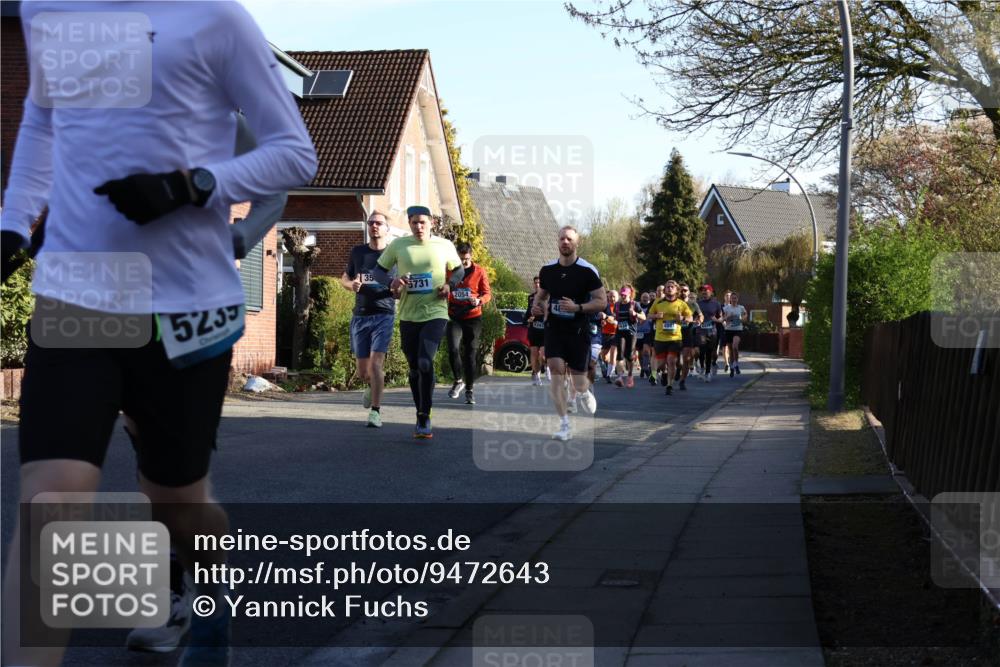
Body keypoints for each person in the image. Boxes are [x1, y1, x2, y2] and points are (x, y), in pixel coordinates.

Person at [0, 4, 318, 666]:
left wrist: (195, 185)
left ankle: (207, 589)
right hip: (76, 293)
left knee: (176, 501)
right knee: (49, 501)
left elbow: (295, 153)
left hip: (184, 308)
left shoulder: (214, 18)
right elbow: (42, 117)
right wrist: (13, 219)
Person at [373, 206, 463, 439]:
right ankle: (420, 408)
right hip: (408, 315)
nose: (418, 227)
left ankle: (424, 415)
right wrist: (393, 281)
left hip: (436, 312)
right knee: (414, 367)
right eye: (414, 223)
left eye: (422, 222)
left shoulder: (444, 245)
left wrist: (449, 286)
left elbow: (460, 269)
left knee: (425, 361)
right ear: (410, 224)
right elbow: (378, 271)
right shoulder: (399, 245)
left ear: (431, 222)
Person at [531, 226, 606, 441]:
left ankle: (583, 391)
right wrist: (538, 307)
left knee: (579, 380)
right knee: (555, 371)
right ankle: (564, 425)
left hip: (578, 331)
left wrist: (577, 308)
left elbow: (602, 302)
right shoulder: (548, 270)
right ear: (558, 242)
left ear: (576, 243)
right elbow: (541, 295)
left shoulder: (587, 270)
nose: (565, 242)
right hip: (554, 329)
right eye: (562, 238)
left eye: (569, 239)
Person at [340, 211, 396, 427]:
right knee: (363, 372)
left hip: (384, 314)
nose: (374, 226)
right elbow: (346, 277)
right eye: (371, 222)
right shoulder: (358, 252)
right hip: (360, 315)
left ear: (386, 229)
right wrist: (350, 285)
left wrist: (399, 287)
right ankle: (371, 386)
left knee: (375, 365)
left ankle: (375, 412)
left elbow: (399, 283)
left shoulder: (393, 254)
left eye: (379, 223)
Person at [446, 242, 492, 405]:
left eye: (466, 259)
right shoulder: (449, 270)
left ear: (471, 257)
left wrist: (478, 300)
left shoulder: (479, 271)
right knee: (452, 348)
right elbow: (444, 289)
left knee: (470, 354)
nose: (463, 262)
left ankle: (470, 390)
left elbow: (487, 294)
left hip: (473, 317)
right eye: (460, 259)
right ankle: (458, 381)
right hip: (454, 316)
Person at [647, 280, 693, 396]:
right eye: (667, 287)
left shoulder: (681, 304)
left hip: (675, 338)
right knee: (662, 363)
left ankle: (669, 385)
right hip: (660, 338)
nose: (669, 289)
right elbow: (648, 315)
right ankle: (661, 373)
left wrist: (682, 318)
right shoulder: (658, 302)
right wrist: (656, 316)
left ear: (676, 289)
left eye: (672, 287)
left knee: (671, 361)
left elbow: (690, 318)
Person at [612, 283, 645, 387]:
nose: (623, 296)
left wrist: (635, 314)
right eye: (622, 294)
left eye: (625, 294)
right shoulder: (617, 305)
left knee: (629, 356)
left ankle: (630, 375)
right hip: (620, 332)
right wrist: (611, 319)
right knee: (620, 354)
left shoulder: (634, 304)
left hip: (631, 333)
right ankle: (620, 377)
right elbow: (615, 317)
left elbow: (644, 317)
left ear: (630, 294)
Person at [695, 284, 724, 382]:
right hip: (701, 330)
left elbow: (721, 317)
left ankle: (707, 372)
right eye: (702, 291)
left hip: (712, 331)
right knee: (702, 350)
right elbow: (694, 316)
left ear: (711, 292)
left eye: (706, 291)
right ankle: (702, 367)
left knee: (709, 352)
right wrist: (697, 320)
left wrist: (717, 319)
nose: (704, 292)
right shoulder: (698, 303)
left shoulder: (716, 304)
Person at [525, 276, 550, 386]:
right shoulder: (531, 297)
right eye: (535, 283)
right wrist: (528, 318)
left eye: (539, 283)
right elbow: (527, 313)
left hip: (545, 331)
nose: (537, 285)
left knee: (543, 356)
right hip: (534, 330)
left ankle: (545, 366)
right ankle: (536, 375)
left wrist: (544, 315)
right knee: (534, 355)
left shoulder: (549, 297)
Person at [678, 283, 702, 390]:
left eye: (685, 290)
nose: (683, 292)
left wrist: (700, 320)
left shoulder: (693, 304)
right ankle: (676, 371)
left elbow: (701, 315)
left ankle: (682, 381)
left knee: (686, 359)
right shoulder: (674, 303)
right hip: (675, 333)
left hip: (688, 333)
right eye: (681, 290)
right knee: (676, 361)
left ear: (688, 292)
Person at [723, 291, 748, 377]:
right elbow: (723, 318)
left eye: (735, 298)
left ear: (737, 299)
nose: (734, 299)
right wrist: (727, 318)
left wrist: (742, 319)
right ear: (730, 299)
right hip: (728, 330)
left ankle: (736, 363)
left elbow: (745, 316)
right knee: (730, 350)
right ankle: (732, 367)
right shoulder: (726, 308)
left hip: (738, 330)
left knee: (735, 346)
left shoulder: (741, 307)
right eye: (732, 298)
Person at [599, 289, 619, 383]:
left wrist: (608, 318)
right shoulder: (605, 306)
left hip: (616, 333)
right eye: (610, 296)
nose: (612, 298)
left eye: (614, 296)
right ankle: (610, 367)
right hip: (605, 333)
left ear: (617, 297)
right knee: (604, 356)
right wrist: (602, 321)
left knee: (612, 355)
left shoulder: (620, 306)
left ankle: (609, 375)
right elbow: (600, 316)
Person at [636, 292, 654, 380]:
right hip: (638, 332)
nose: (645, 299)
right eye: (643, 297)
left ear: (649, 299)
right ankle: (643, 368)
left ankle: (646, 368)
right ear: (641, 298)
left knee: (646, 351)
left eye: (647, 297)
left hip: (648, 332)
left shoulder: (651, 307)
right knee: (639, 353)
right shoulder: (637, 306)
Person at [719, 289, 733, 370]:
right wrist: (723, 322)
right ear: (724, 297)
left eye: (730, 296)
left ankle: (730, 361)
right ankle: (726, 363)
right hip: (723, 329)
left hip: (732, 329)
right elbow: (719, 316)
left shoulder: (733, 307)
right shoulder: (721, 307)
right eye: (727, 296)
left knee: (730, 347)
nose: (728, 297)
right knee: (724, 347)